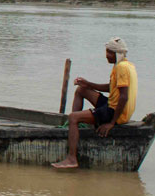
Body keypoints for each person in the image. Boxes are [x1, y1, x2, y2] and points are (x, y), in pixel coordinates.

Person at [52, 37, 138, 169]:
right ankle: (75, 127)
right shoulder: (126, 65)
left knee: (72, 117)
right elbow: (111, 88)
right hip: (112, 105)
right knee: (81, 90)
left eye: (108, 52)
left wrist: (111, 123)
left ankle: (72, 158)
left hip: (114, 112)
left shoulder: (121, 68)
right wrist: (87, 84)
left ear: (115, 53)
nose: (106, 56)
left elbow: (124, 97)